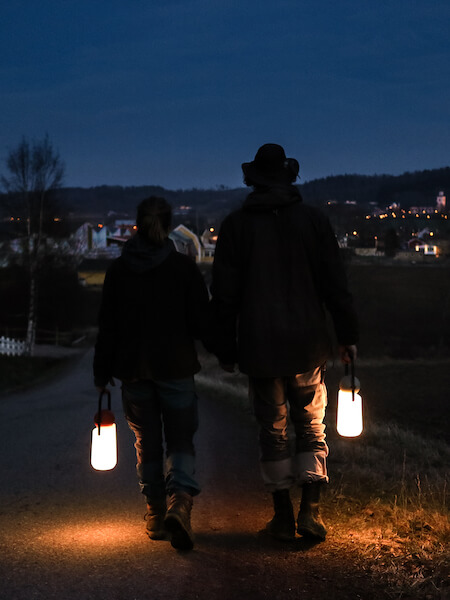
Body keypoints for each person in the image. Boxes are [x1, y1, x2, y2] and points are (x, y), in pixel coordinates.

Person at [209, 143, 358, 542]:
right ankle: (310, 513)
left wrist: (225, 348)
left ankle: (282, 516)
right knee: (311, 425)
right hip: (308, 344)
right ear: (289, 177)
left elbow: (224, 296)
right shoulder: (314, 221)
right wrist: (347, 336)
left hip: (260, 347)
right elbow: (335, 285)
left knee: (272, 430)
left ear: (252, 180)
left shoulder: (237, 226)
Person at [93, 196, 209, 551]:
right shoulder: (183, 269)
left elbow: (107, 327)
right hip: (175, 367)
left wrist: (102, 372)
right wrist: (230, 353)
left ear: (137, 225)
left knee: (147, 442)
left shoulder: (118, 271)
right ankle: (181, 504)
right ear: (169, 224)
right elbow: (202, 321)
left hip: (133, 371)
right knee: (180, 439)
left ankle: (155, 512)